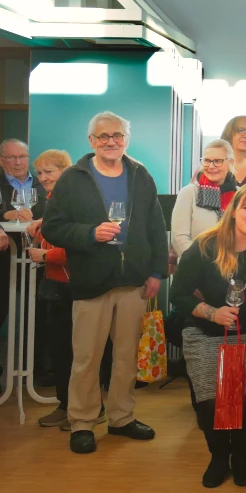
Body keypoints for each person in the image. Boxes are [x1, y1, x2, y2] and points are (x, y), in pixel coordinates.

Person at [42, 111, 168, 454]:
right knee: (86, 358)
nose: (111, 141)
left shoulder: (140, 175)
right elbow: (52, 227)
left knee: (126, 358)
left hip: (133, 282)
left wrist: (156, 272)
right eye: (103, 136)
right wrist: (90, 233)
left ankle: (121, 418)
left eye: (117, 135)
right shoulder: (73, 178)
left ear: (126, 139)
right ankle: (82, 423)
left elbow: (156, 227)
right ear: (91, 141)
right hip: (91, 281)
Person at [170, 184, 246, 488]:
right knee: (210, 402)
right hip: (205, 332)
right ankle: (219, 457)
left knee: (245, 401)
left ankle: (241, 457)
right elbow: (178, 294)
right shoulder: (205, 246)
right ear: (233, 212)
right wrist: (211, 312)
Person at [28, 150, 76, 429]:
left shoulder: (72, 201)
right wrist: (42, 226)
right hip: (56, 284)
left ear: (65, 171)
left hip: (73, 285)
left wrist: (47, 256)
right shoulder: (51, 201)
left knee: (75, 352)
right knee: (59, 350)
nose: (43, 177)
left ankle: (86, 409)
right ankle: (66, 405)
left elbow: (81, 247)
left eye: (49, 171)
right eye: (40, 173)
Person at [0, 139, 43, 358]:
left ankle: (36, 365)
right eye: (11, 157)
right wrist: (4, 215)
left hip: (36, 257)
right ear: (1, 161)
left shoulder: (43, 182)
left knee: (37, 312)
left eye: (22, 157)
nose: (17, 162)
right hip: (3, 255)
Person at [172, 139, 238, 257]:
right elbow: (179, 238)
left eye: (218, 161)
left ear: (231, 163)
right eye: (207, 161)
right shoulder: (188, 193)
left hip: (232, 262)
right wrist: (202, 262)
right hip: (196, 262)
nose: (211, 166)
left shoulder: (240, 195)